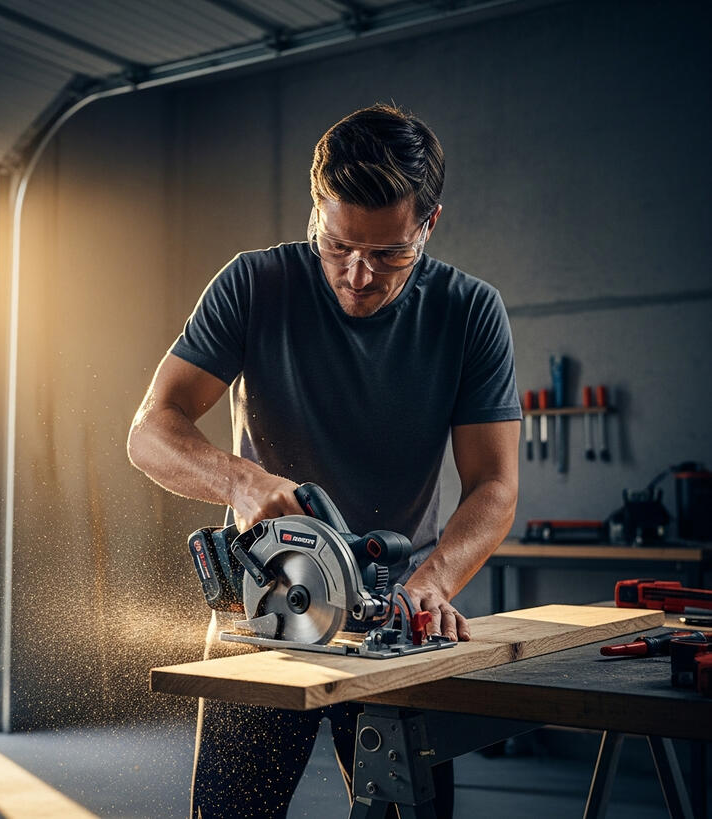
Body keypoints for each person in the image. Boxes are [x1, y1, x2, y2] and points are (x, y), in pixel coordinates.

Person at [128, 103, 521, 818]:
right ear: (316, 210)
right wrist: (238, 479)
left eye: (390, 253)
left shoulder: (469, 312)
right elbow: (151, 430)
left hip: (398, 618)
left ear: (429, 224)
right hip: (266, 610)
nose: (359, 274)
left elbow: (494, 484)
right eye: (338, 245)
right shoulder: (254, 284)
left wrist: (430, 585)